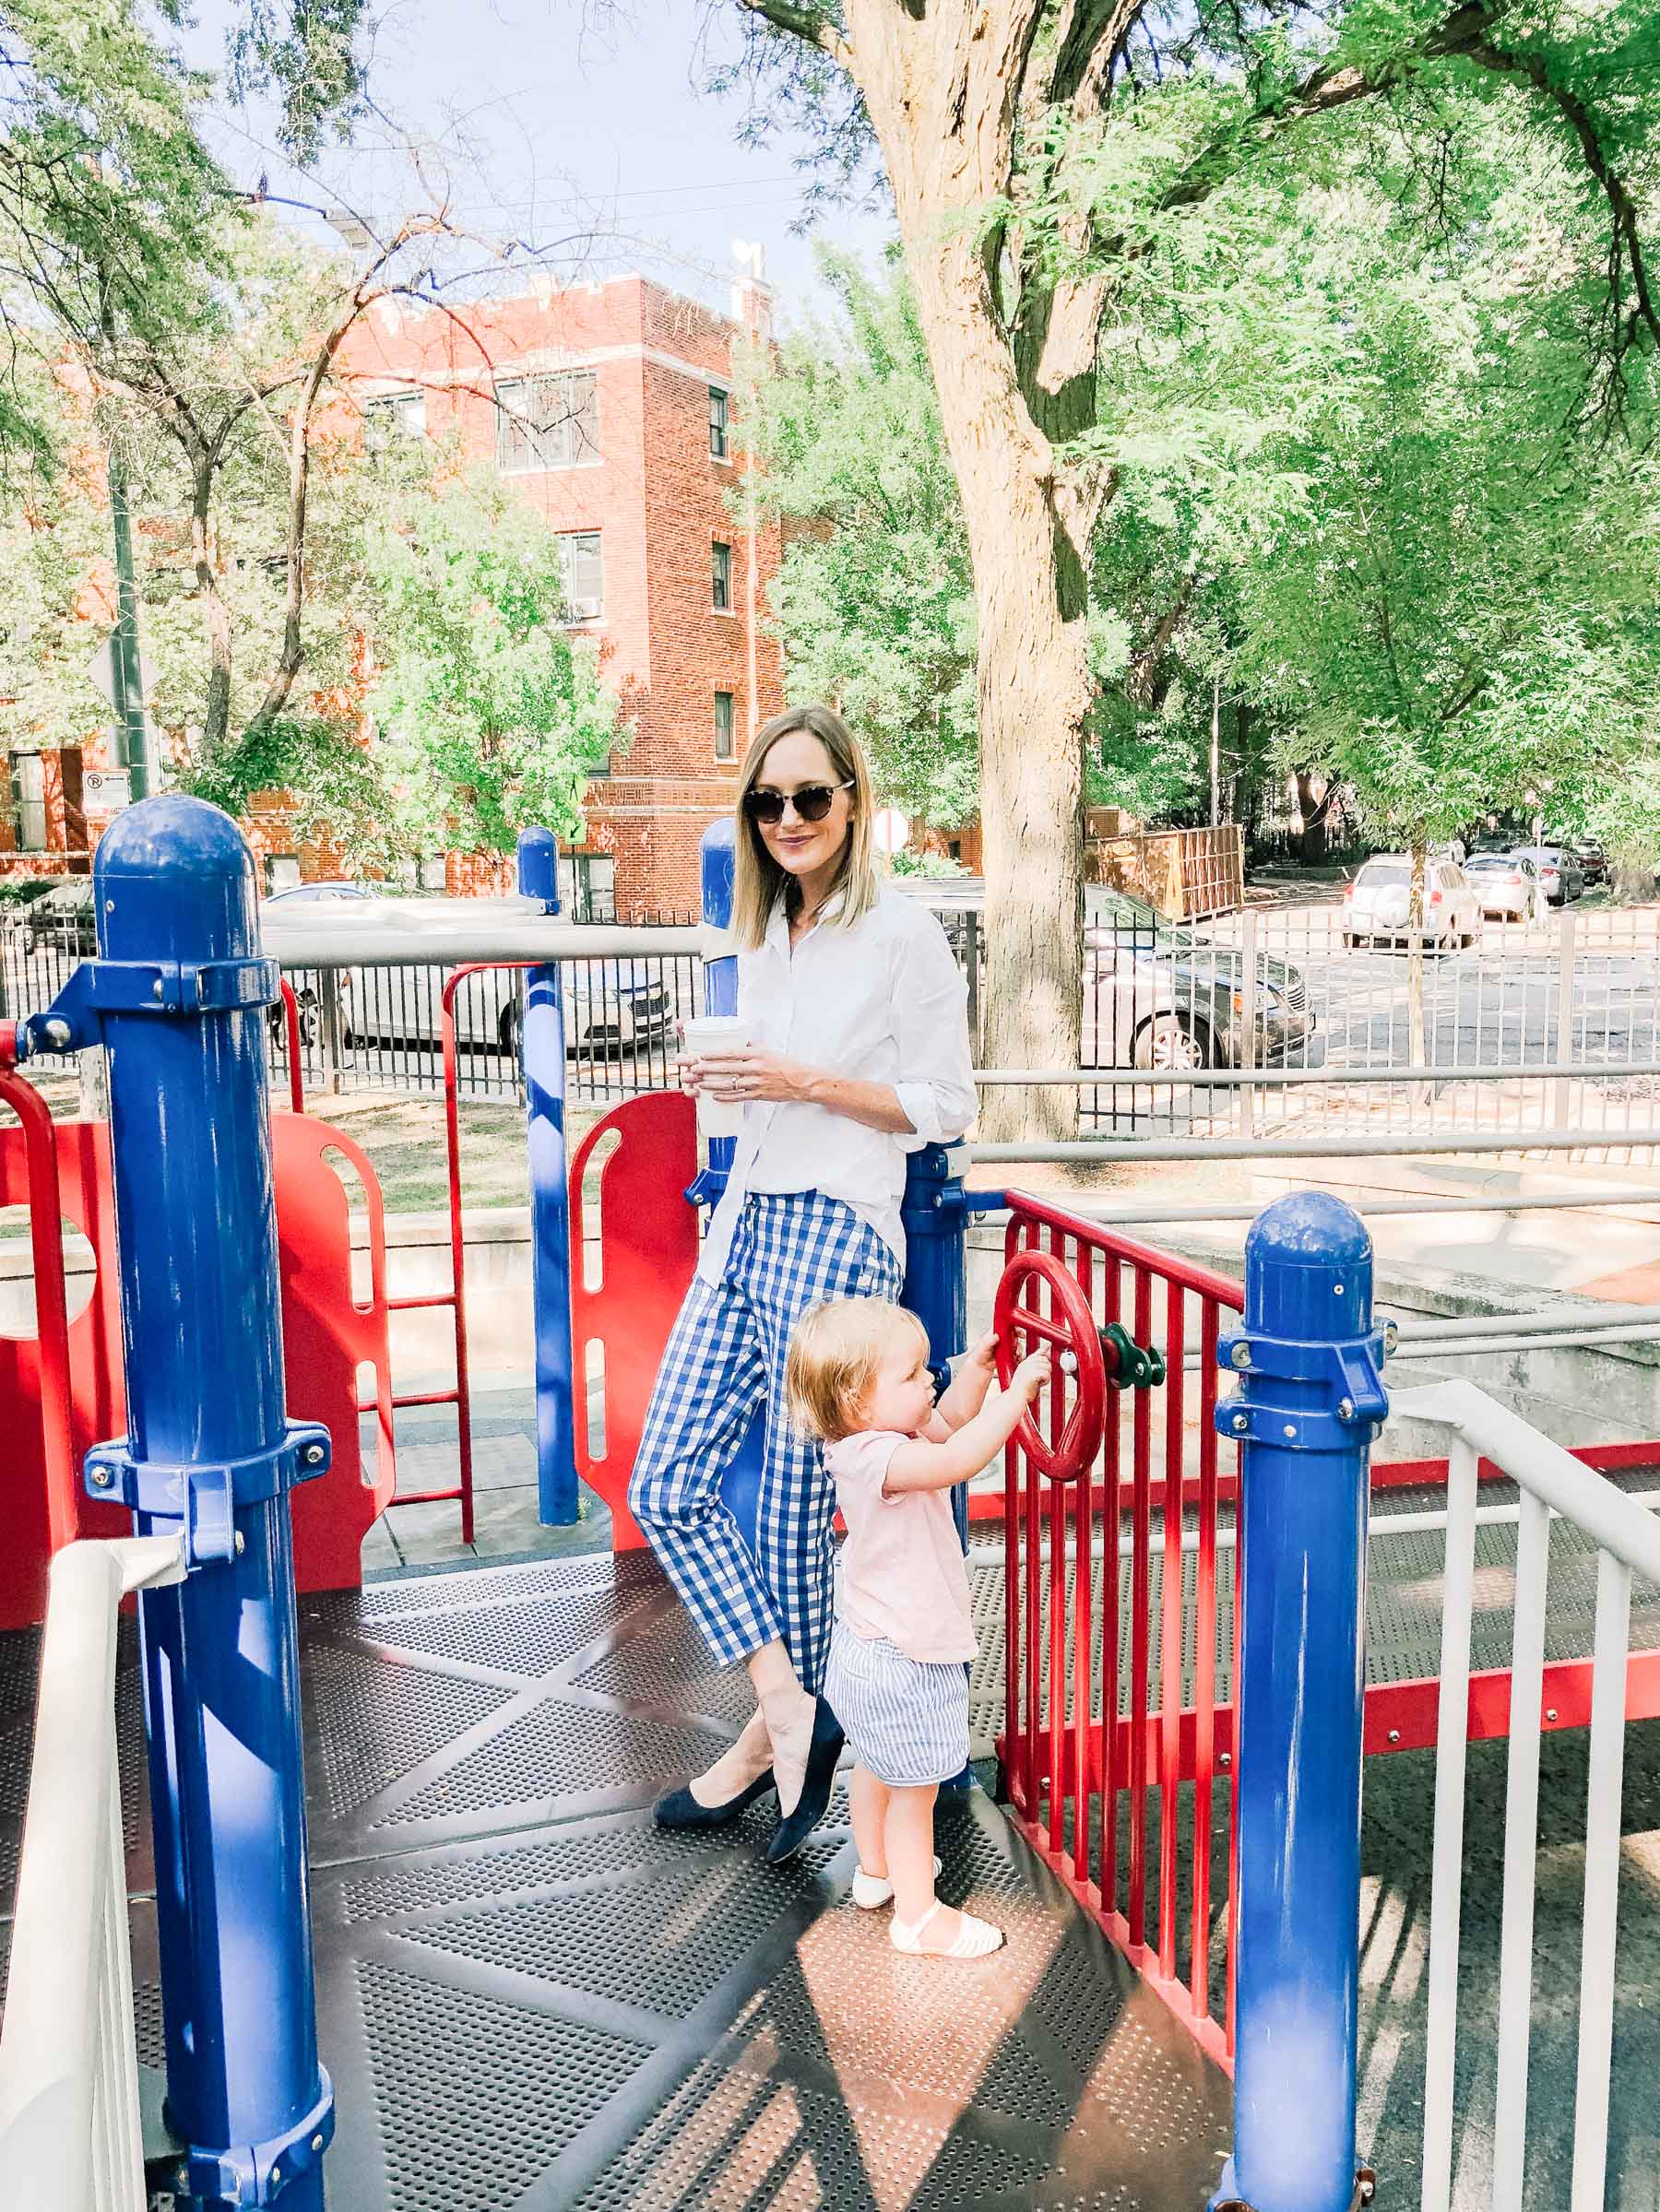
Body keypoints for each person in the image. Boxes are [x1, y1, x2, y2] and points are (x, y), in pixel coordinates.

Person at [628, 704, 978, 1864]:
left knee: (785, 1517)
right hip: (743, 1227)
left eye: (810, 798)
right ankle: (787, 1704)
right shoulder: (763, 938)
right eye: (767, 802)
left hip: (836, 1233)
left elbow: (944, 1105)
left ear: (853, 802)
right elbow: (758, 1092)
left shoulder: (903, 934)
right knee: (666, 1476)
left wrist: (806, 1078)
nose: (788, 820)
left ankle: (801, 1741)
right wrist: (732, 1075)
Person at [786, 1298, 1049, 1957]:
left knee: (876, 1764)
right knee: (915, 1793)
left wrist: (979, 1378)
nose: (928, 1377)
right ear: (858, 1399)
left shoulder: (883, 1434)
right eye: (910, 1375)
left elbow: (950, 1422)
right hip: (904, 1661)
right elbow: (960, 1457)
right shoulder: (878, 1459)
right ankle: (919, 1916)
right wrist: (1017, 1396)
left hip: (864, 1649)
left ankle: (876, 1873)